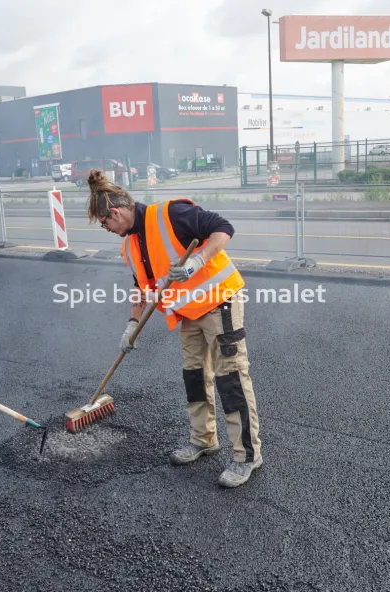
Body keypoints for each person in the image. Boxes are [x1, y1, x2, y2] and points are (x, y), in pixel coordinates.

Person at [86, 170, 262, 488]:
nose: (107, 230)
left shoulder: (170, 213)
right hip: (188, 314)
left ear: (114, 212)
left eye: (105, 224)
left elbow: (223, 229)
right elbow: (141, 288)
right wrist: (131, 325)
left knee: (231, 378)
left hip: (219, 302)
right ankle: (203, 440)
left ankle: (247, 457)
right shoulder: (129, 246)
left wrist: (196, 260)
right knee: (194, 376)